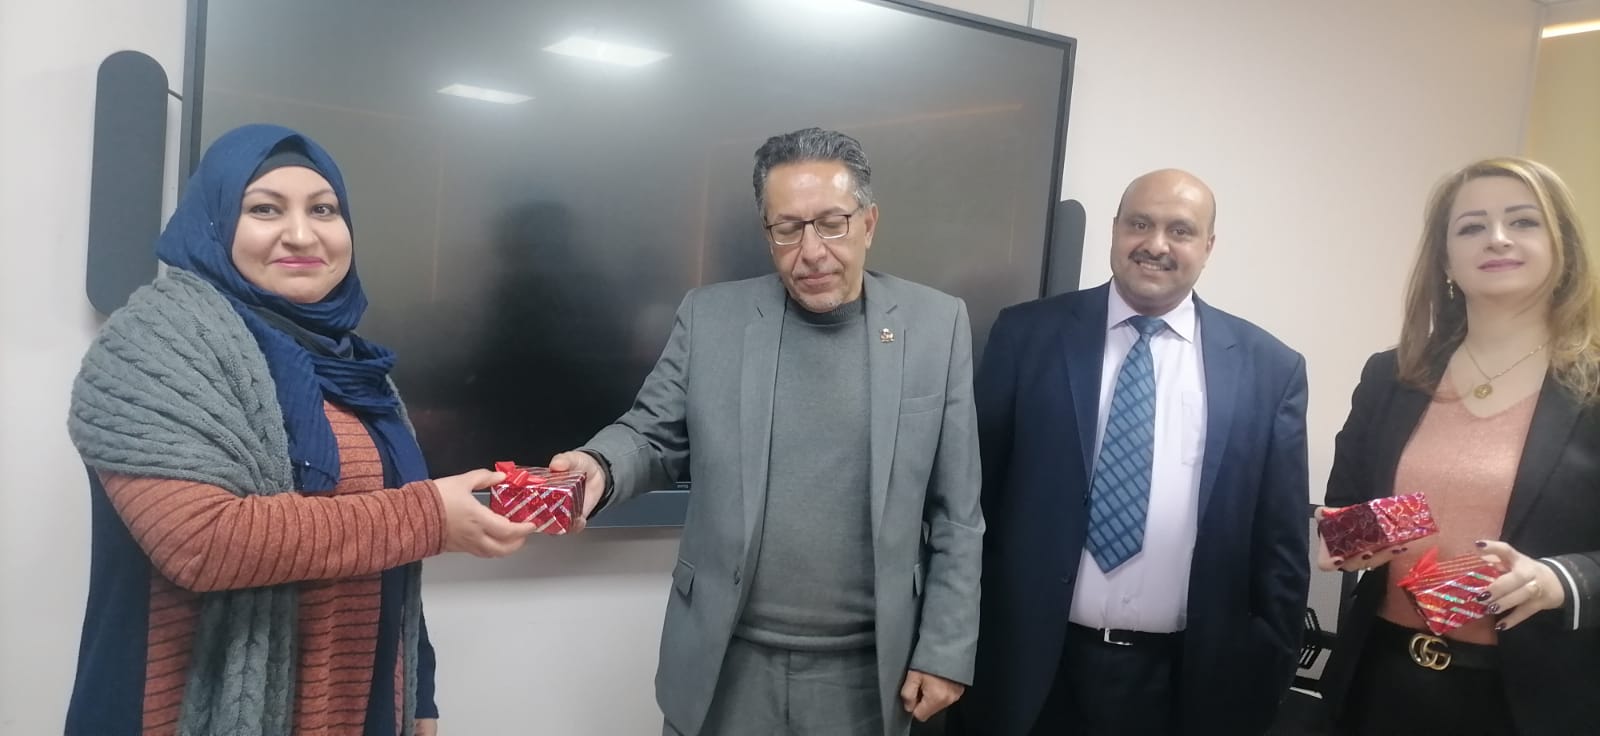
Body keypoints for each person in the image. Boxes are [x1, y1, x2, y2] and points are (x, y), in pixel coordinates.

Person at [65, 124, 538, 736]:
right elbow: (201, 543)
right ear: (214, 222)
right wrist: (429, 517)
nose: (301, 234)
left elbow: (392, 550)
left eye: (323, 210)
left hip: (357, 707)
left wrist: (418, 691)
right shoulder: (153, 348)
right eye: (265, 209)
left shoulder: (354, 367)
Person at [547, 127, 984, 736]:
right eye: (788, 228)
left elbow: (957, 512)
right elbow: (651, 434)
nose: (811, 251)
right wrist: (599, 465)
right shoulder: (711, 317)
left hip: (869, 675)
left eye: (831, 223)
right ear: (767, 232)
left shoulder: (936, 325)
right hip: (726, 664)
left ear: (868, 223)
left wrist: (945, 649)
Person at [960, 169, 1311, 734]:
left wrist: (1264, 682)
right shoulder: (1027, 336)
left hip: (1184, 688)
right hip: (1030, 673)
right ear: (1115, 229)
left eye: (1181, 230)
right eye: (1139, 224)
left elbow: (1282, 551)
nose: (1155, 244)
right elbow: (970, 504)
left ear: (1209, 246)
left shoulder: (1269, 369)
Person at [1318, 157, 1600, 734]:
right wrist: (1347, 541)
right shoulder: (1391, 376)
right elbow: (1342, 512)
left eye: (1523, 221)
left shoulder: (1591, 388)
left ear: (1563, 247)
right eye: (1471, 226)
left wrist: (1562, 581)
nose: (1496, 238)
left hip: (1533, 703)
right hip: (1381, 685)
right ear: (1446, 259)